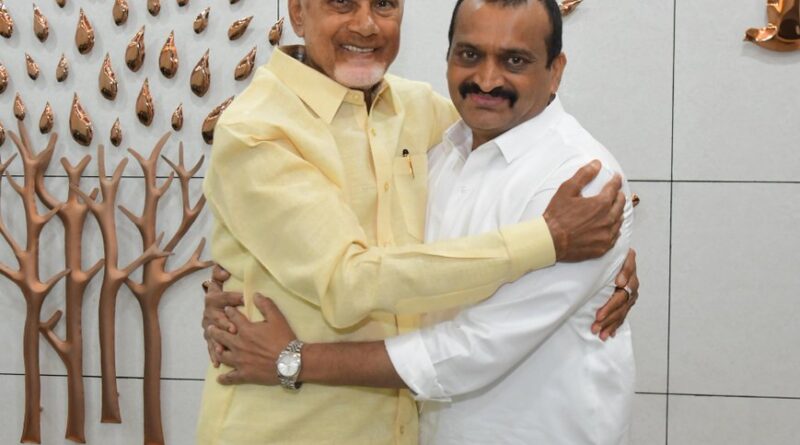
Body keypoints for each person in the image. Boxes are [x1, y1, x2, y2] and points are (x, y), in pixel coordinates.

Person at [198, 0, 638, 443]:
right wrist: (547, 241)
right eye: (342, 3)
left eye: (384, 4)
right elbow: (347, 281)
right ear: (297, 12)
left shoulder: (419, 112)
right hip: (286, 427)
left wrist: (608, 266)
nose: (366, 24)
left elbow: (529, 151)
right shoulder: (256, 130)